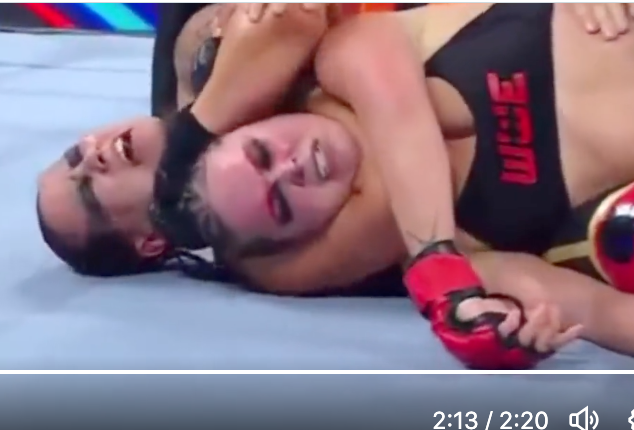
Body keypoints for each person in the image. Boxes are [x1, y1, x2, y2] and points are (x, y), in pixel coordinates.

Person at [36, 4, 634, 368]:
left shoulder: (337, 56)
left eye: (74, 155)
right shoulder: (284, 257)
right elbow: (597, 312)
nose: (291, 166)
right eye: (89, 191)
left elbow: (292, 26)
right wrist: (496, 320)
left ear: (253, 123)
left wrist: (196, 129)